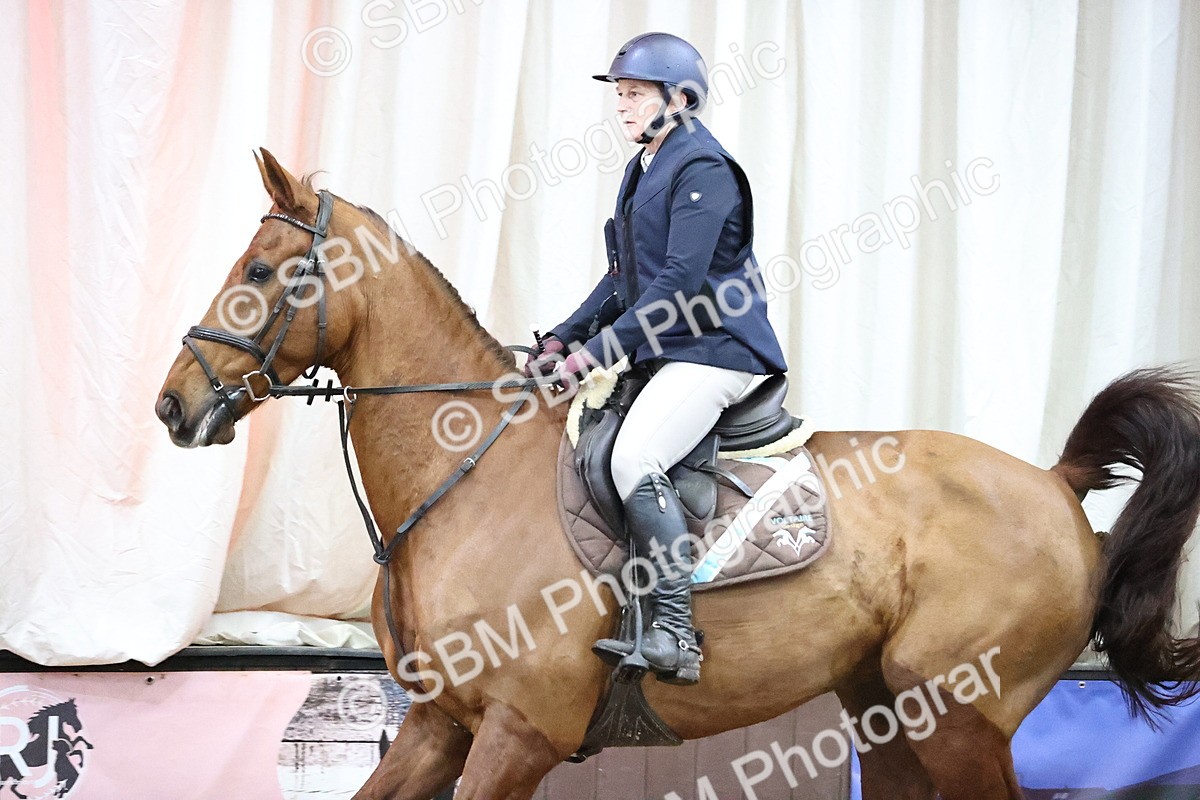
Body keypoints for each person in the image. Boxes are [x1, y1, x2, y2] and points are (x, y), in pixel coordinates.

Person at [527, 32, 787, 685]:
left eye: (634, 93)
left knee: (633, 457)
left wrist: (595, 355)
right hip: (668, 349)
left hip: (717, 347)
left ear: (680, 97)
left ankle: (675, 632)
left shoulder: (703, 169)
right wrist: (563, 336)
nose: (621, 106)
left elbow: (675, 288)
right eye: (618, 94)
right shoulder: (645, 166)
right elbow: (621, 279)